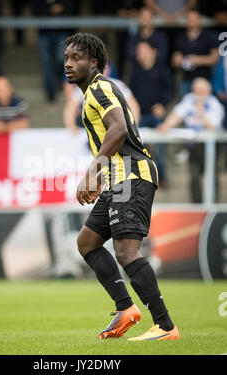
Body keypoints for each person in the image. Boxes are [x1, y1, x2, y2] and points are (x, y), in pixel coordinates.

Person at [64, 32, 179, 341]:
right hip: (119, 176)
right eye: (66, 59)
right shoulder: (91, 93)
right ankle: (125, 309)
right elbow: (115, 136)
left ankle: (166, 327)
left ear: (95, 62)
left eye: (76, 58)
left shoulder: (99, 88)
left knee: (127, 251)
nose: (68, 64)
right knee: (87, 242)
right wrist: (102, 173)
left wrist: (93, 170)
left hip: (132, 174)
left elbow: (119, 128)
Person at [157, 77, 224, 203]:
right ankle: (197, 204)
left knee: (212, 175)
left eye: (199, 90)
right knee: (194, 176)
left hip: (211, 146)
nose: (196, 92)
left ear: (206, 90)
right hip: (194, 144)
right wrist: (166, 125)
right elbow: (177, 114)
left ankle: (213, 203)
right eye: (195, 89)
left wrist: (200, 110)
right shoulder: (189, 99)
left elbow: (213, 126)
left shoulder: (214, 103)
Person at [129, 40, 175, 185]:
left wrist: (162, 104)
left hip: (156, 116)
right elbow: (130, 94)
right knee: (135, 146)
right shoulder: (135, 71)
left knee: (160, 146)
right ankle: (141, 177)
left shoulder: (162, 69)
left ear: (153, 52)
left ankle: (161, 177)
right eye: (138, 50)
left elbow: (171, 90)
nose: (139, 53)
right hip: (140, 116)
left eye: (142, 50)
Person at [63, 63, 140, 134]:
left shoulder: (118, 85)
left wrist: (132, 127)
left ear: (108, 70)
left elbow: (133, 106)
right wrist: (71, 126)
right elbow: (70, 107)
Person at [171, 9, 219, 95]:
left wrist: (197, 60)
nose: (191, 21)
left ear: (199, 20)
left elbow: (215, 58)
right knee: (186, 105)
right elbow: (175, 60)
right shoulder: (180, 37)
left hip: (204, 79)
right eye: (189, 18)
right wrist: (178, 61)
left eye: (194, 18)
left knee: (203, 106)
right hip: (186, 80)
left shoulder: (208, 36)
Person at [32, 0, 72, 102]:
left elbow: (71, 8)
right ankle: (50, 92)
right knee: (46, 62)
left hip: (61, 30)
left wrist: (59, 10)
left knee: (61, 59)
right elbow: (35, 10)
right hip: (44, 32)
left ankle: (59, 82)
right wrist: (51, 10)